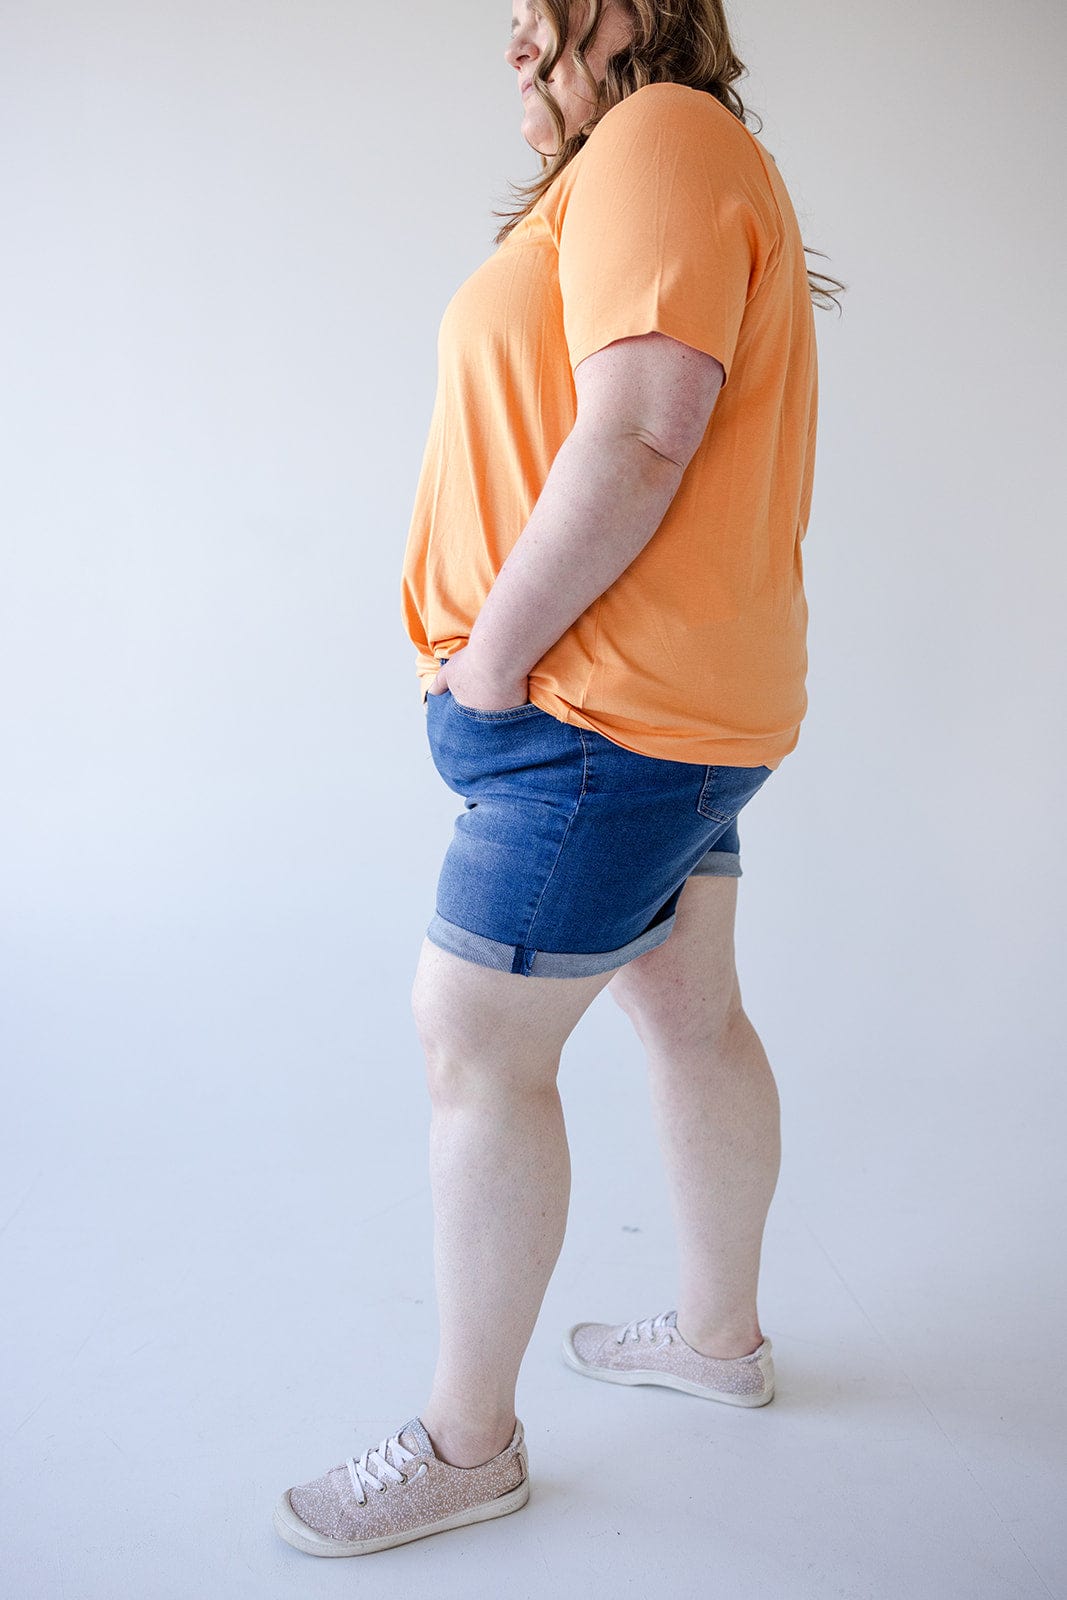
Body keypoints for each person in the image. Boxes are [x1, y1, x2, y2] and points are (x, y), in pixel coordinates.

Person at [274, 0, 842, 1559]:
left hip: (593, 721)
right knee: (690, 1012)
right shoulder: (666, 158)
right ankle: (720, 1342)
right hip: (678, 718)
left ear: (637, 10)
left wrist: (492, 659)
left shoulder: (662, 134)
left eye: (541, 9)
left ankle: (470, 1443)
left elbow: (648, 430)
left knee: (472, 1045)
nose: (515, 36)